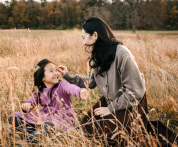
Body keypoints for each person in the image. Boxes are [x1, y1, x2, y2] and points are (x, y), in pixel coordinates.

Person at [57, 17, 148, 145]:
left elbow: (135, 91)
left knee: (110, 138)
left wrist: (110, 108)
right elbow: (91, 82)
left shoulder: (122, 53)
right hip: (110, 100)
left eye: (84, 38)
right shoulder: (98, 55)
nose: (83, 43)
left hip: (131, 102)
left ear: (95, 35)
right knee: (86, 128)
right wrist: (67, 76)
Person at [9, 59, 89, 145]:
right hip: (45, 115)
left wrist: (79, 92)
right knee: (14, 117)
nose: (55, 73)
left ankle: (26, 143)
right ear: (42, 77)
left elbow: (71, 88)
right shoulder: (39, 90)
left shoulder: (62, 85)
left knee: (47, 126)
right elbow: (31, 101)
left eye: (55, 70)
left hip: (61, 118)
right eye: (51, 71)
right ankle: (38, 137)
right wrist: (27, 105)